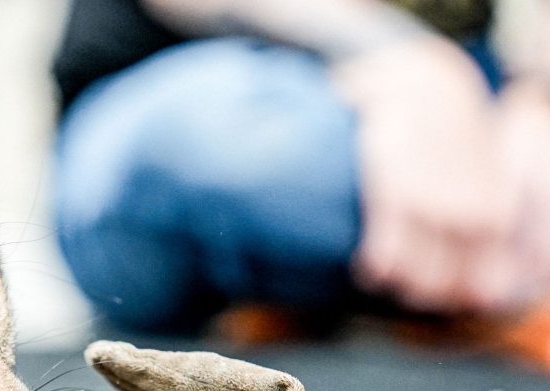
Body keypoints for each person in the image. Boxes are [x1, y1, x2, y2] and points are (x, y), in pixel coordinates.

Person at [52, 0, 550, 336]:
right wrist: (407, 59)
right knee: (222, 150)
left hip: (464, 94)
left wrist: (535, 99)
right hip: (181, 81)